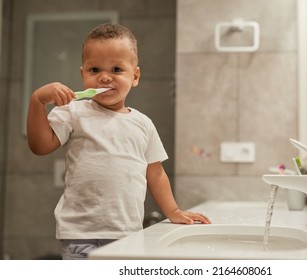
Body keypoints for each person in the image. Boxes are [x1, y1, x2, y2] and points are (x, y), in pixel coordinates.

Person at [26, 23, 211, 260]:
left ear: (134, 76)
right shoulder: (73, 111)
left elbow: (155, 173)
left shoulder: (143, 124)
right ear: (83, 75)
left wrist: (173, 211)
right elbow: (40, 146)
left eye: (116, 69)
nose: (104, 77)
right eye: (94, 70)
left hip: (128, 234)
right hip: (80, 234)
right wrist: (37, 102)